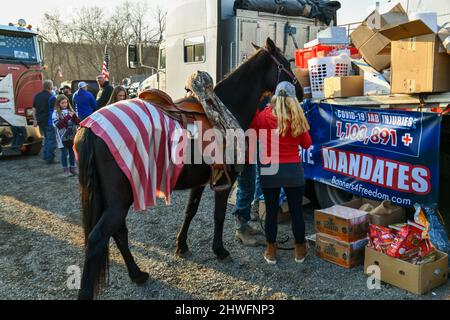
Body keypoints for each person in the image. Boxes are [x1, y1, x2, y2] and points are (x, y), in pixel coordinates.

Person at [251, 81, 312, 265]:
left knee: (270, 212)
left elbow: (253, 129)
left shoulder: (264, 116)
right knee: (296, 212)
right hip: (293, 169)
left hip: (270, 169)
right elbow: (307, 144)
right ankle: (300, 251)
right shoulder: (297, 117)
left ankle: (271, 251)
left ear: (275, 97)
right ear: (293, 99)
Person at [52, 94, 80, 177]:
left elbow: (78, 122)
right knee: (64, 153)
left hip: (72, 135)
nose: (65, 104)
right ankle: (65, 170)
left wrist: (74, 117)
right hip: (62, 137)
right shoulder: (56, 113)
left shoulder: (70, 111)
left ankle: (73, 168)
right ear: (58, 104)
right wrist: (67, 117)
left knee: (72, 152)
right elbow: (58, 125)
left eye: (66, 102)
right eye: (62, 103)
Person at [32, 80, 57, 164]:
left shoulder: (37, 96)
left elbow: (34, 109)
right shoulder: (52, 97)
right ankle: (50, 159)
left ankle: (46, 156)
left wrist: (35, 120)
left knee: (46, 139)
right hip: (49, 121)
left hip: (40, 121)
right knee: (51, 140)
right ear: (51, 87)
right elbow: (56, 110)